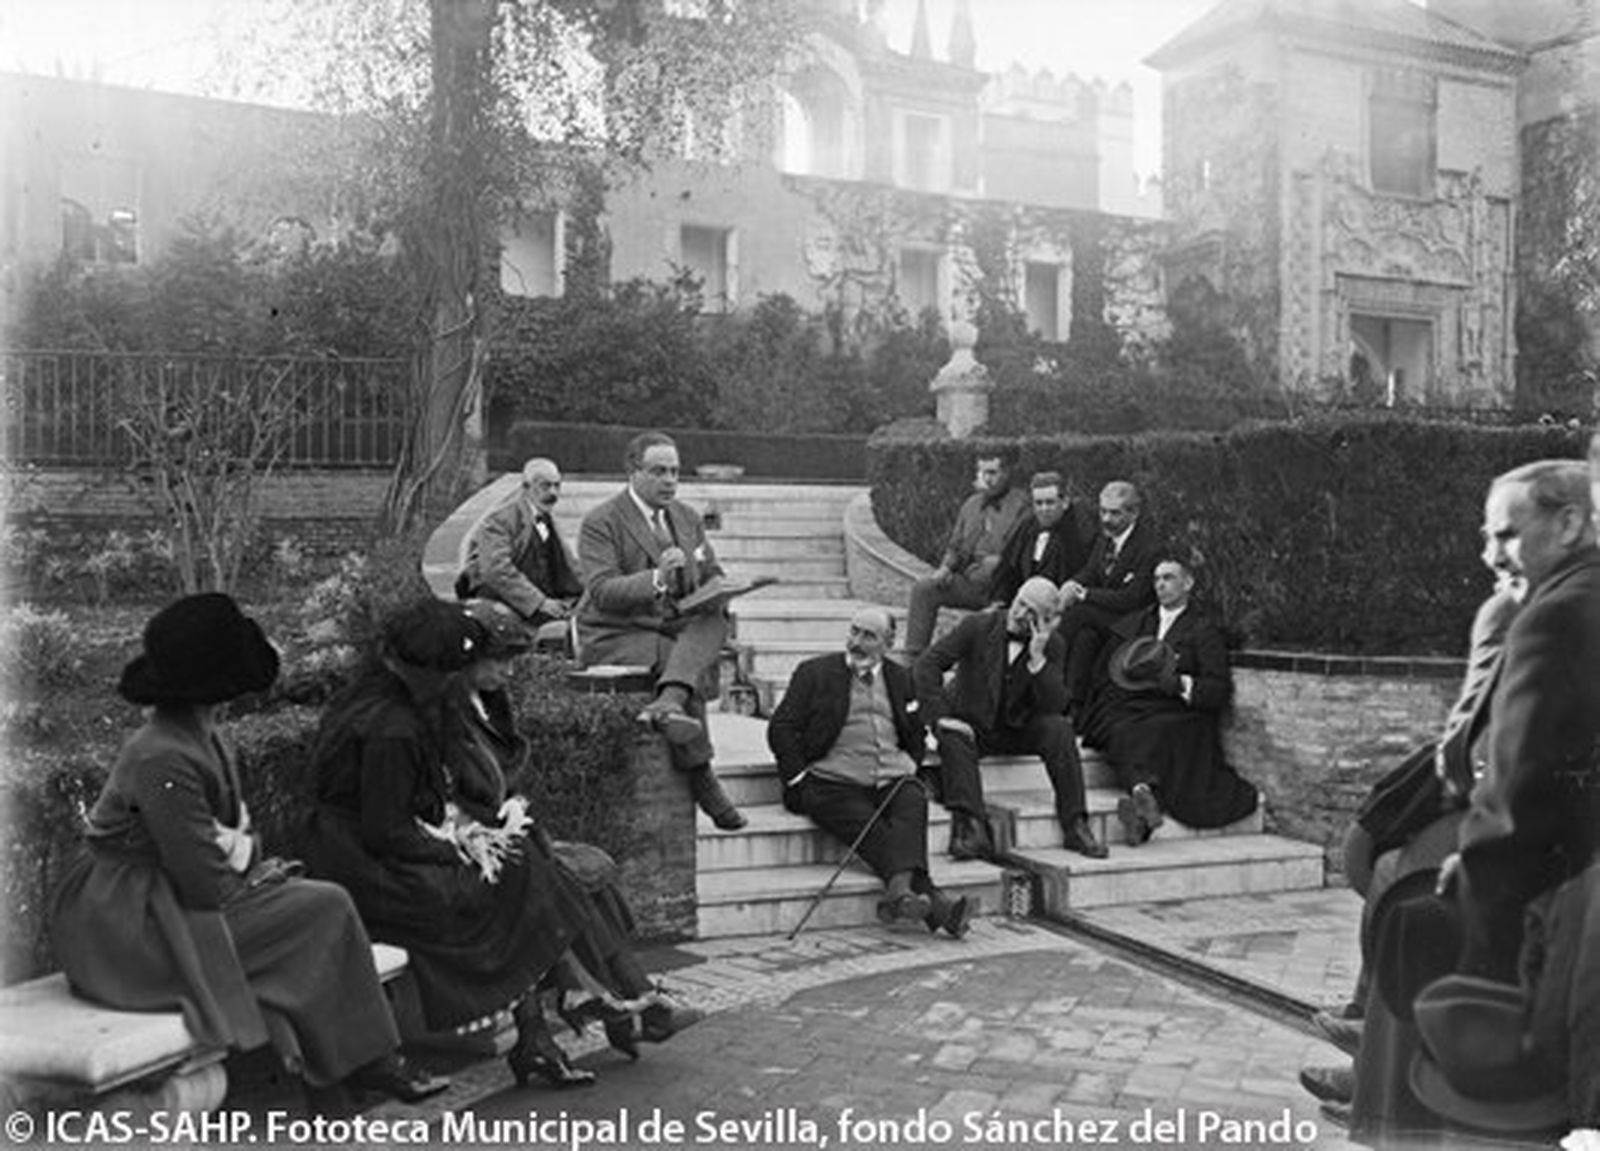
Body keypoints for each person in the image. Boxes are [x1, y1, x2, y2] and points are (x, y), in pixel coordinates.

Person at [50, 593, 449, 1108]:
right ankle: (361, 1063)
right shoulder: (161, 756)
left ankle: (342, 1069)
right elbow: (204, 878)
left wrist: (246, 860)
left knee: (310, 905)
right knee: (323, 907)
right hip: (129, 926)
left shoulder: (200, 736)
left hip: (168, 895)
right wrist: (249, 867)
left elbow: (228, 843)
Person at [305, 599, 599, 1091]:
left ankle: (538, 1034)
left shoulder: (398, 704)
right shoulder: (390, 727)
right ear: (430, 672)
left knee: (519, 861)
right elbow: (386, 830)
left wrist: (468, 836)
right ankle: (540, 1030)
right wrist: (459, 846)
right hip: (356, 859)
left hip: (376, 846)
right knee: (506, 873)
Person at [450, 599, 704, 1058]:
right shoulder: (444, 718)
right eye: (499, 661)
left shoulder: (487, 704)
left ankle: (628, 1009)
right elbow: (459, 798)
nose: (508, 672)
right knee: (566, 884)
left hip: (510, 838)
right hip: (469, 851)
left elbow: (508, 783)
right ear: (466, 659)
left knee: (592, 882)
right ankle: (629, 1007)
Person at [1447, 458, 1600, 981]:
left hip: (1551, 912)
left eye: (1508, 536)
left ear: (1569, 524)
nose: (1491, 556)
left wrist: (1481, 960)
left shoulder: (1553, 619)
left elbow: (1517, 805)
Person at [575, 431, 747, 831]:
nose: (670, 480)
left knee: (715, 618)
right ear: (633, 473)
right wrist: (657, 578)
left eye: (674, 471)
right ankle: (703, 777)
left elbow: (710, 571)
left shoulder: (686, 518)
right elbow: (601, 592)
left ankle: (668, 701)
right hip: (616, 632)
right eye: (658, 471)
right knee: (679, 656)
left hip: (674, 625)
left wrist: (721, 587)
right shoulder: (601, 521)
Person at [768, 606, 972, 937]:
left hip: (890, 777)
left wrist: (911, 763)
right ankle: (932, 901)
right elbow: (781, 727)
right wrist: (797, 778)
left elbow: (915, 732)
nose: (857, 642)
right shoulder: (814, 673)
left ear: (888, 643)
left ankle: (902, 897)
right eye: (854, 632)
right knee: (872, 825)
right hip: (832, 781)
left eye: (869, 636)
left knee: (913, 800)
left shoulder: (901, 678)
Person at [914, 576, 1107, 861]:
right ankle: (972, 829)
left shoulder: (1053, 645)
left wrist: (1037, 659)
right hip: (970, 724)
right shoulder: (978, 626)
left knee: (1059, 730)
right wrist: (940, 717)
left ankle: (1075, 824)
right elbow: (927, 664)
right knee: (955, 737)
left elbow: (1056, 705)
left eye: (1031, 612)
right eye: (1019, 604)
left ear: (1045, 619)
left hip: (1015, 726)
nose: (1019, 614)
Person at [1077, 557, 1259, 845]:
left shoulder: (1202, 629)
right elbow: (1114, 666)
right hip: (1135, 703)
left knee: (1148, 732)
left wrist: (1181, 684)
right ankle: (1143, 795)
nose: (1160, 584)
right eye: (1157, 579)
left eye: (1169, 578)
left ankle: (1143, 799)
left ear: (1188, 583)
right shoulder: (1141, 621)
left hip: (1179, 708)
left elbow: (1217, 688)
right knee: (1116, 725)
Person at [903, 454, 1029, 659]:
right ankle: (914, 658)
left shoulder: (1021, 504)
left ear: (1005, 473)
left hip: (1003, 588)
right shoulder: (971, 505)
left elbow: (1023, 549)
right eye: (983, 473)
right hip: (970, 583)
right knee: (924, 589)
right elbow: (956, 546)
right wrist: (946, 567)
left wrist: (1001, 562)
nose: (987, 479)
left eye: (993, 473)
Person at [1055, 480, 1161, 716]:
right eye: (1102, 511)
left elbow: (1132, 599)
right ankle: (1073, 706)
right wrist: (1073, 583)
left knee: (1079, 615)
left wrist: (1084, 594)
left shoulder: (1149, 548)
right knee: (1085, 638)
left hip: (1134, 621)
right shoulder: (1105, 538)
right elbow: (1092, 571)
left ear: (1134, 513)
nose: (1105, 519)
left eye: (1114, 513)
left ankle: (1046, 675)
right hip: (1105, 618)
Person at [455, 457, 583, 636]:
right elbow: (495, 570)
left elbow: (570, 567)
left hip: (538, 600)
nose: (553, 493)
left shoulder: (547, 519)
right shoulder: (500, 521)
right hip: (501, 602)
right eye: (545, 486)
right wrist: (539, 602)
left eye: (557, 485)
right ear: (525, 487)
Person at [989, 470, 1093, 609]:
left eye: (1050, 503)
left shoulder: (1080, 530)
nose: (1044, 509)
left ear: (1065, 502)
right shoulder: (1027, 526)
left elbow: (1085, 572)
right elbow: (1008, 568)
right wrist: (1000, 599)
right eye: (1039, 503)